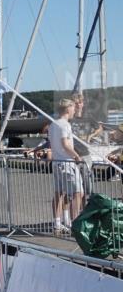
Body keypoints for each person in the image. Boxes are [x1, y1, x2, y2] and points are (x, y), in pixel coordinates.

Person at [48, 98, 84, 234]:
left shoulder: (52, 125)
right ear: (68, 109)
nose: (75, 110)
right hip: (66, 162)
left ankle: (58, 223)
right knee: (78, 193)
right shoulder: (65, 125)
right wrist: (77, 156)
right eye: (74, 107)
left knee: (59, 193)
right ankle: (75, 224)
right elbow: (65, 144)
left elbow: (53, 144)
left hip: (57, 162)